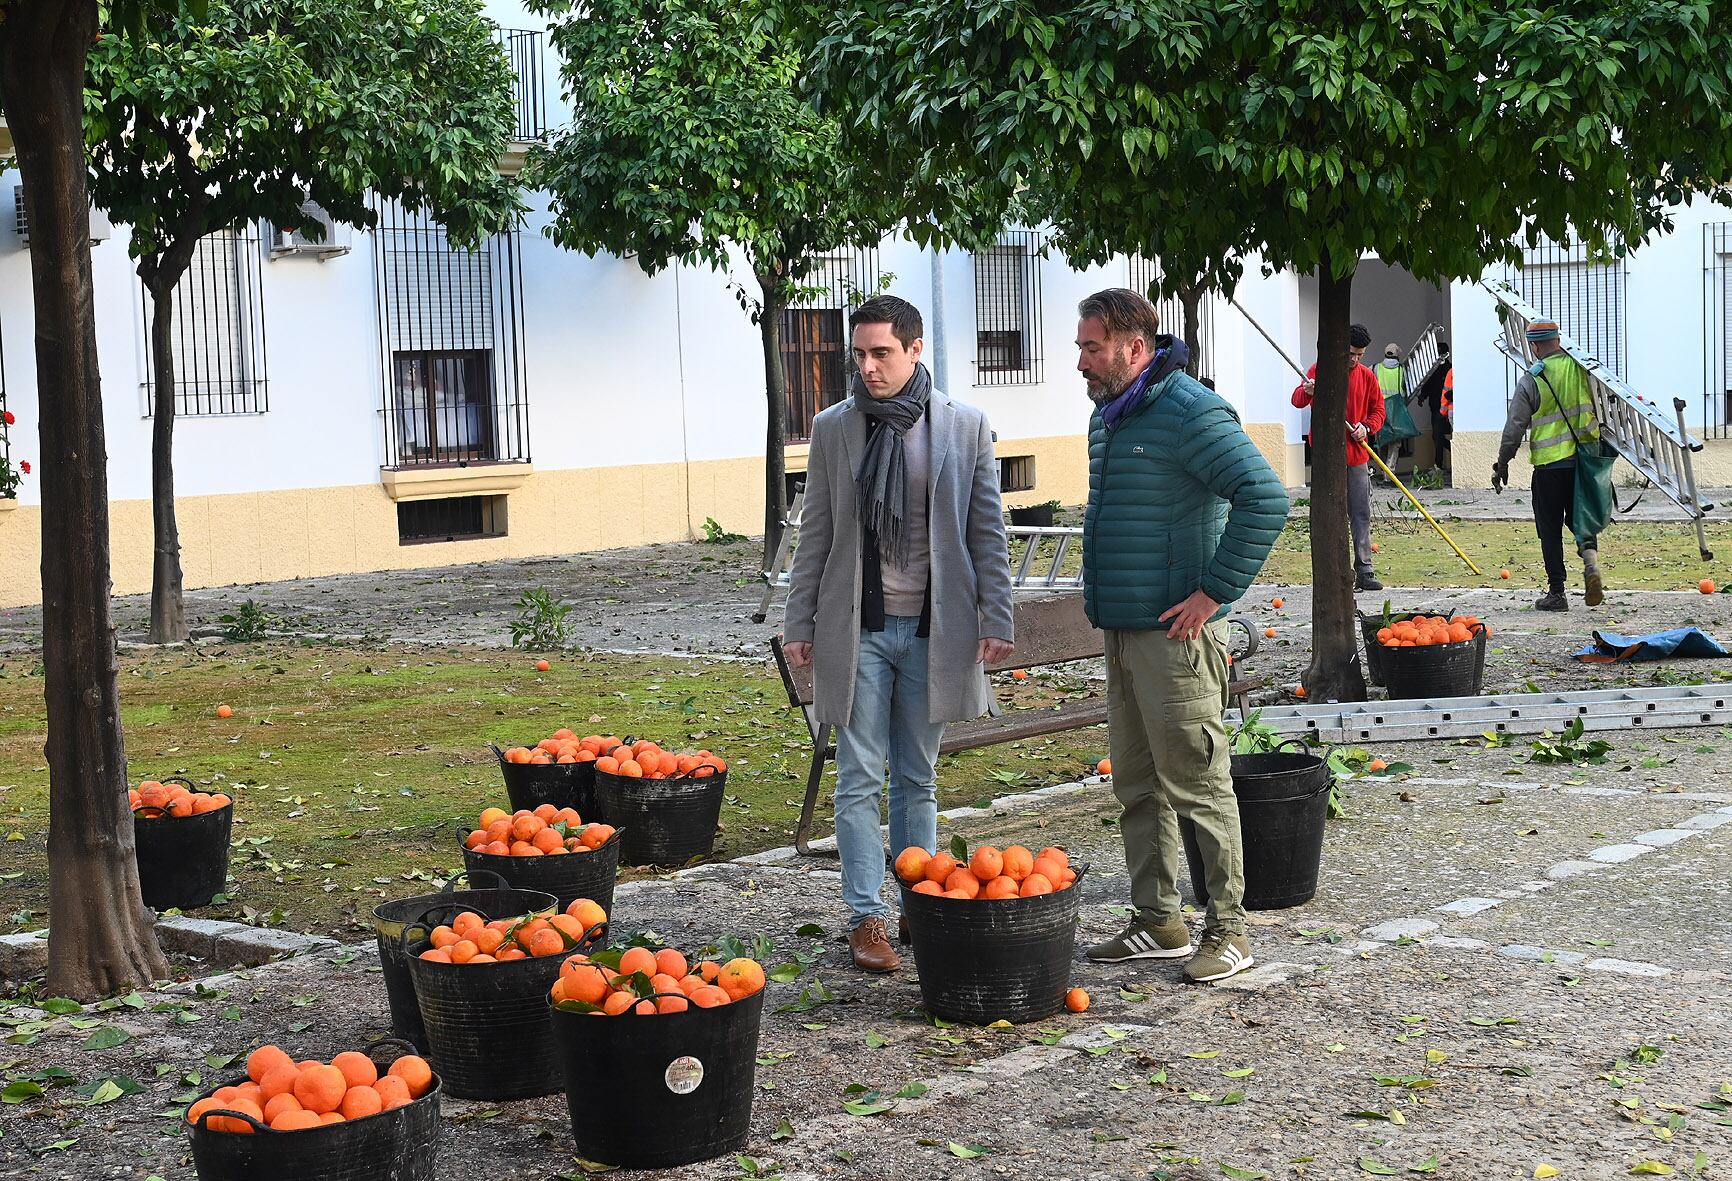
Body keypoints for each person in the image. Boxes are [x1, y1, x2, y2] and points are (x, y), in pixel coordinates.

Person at [782, 294, 1015, 972]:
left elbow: (986, 530)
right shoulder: (835, 427)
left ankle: (920, 900)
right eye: (858, 354)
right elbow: (816, 532)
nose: (868, 367)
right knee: (857, 775)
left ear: (915, 349)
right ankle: (866, 916)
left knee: (917, 774)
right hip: (856, 630)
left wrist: (997, 614)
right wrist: (799, 620)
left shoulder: (963, 426)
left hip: (934, 631)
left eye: (881, 353)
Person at [1074, 288, 1288, 984]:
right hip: (1125, 630)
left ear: (1134, 348)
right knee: (1137, 786)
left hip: (1177, 640)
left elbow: (1266, 497)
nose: (1081, 361)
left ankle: (1230, 930)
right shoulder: (1110, 416)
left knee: (1199, 785)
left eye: (1092, 347)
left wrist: (1215, 591)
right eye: (1081, 346)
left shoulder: (1191, 411)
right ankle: (1159, 920)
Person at [1493, 320, 1603, 610]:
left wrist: (1502, 463)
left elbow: (1514, 427)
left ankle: (1557, 593)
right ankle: (1591, 564)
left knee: (1550, 529)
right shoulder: (1582, 368)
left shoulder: (1532, 379)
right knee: (1580, 520)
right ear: (1559, 341)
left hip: (1549, 467)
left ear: (1535, 346)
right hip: (1582, 463)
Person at [1291, 323, 1386, 591]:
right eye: (1351, 353)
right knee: (1331, 514)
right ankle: (1334, 570)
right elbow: (1297, 400)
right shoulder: (1319, 371)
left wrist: (1366, 427)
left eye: (1360, 355)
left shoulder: (1367, 377)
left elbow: (1379, 410)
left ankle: (1365, 569)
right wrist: (1308, 391)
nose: (1354, 360)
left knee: (1360, 512)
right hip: (1326, 457)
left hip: (1357, 456)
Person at [1418, 341, 1453, 473]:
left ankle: (1439, 464)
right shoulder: (1433, 369)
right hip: (1435, 407)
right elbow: (1428, 385)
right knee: (1437, 437)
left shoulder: (1450, 368)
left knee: (1438, 436)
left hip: (1447, 409)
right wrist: (1422, 397)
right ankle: (1447, 457)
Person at [1373, 342, 1405, 471]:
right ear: (1397, 355)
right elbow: (1405, 390)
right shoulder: (1401, 369)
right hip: (1395, 411)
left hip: (1379, 410)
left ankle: (1383, 470)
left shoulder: (1376, 368)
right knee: (1395, 443)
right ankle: (1389, 472)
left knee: (1381, 441)